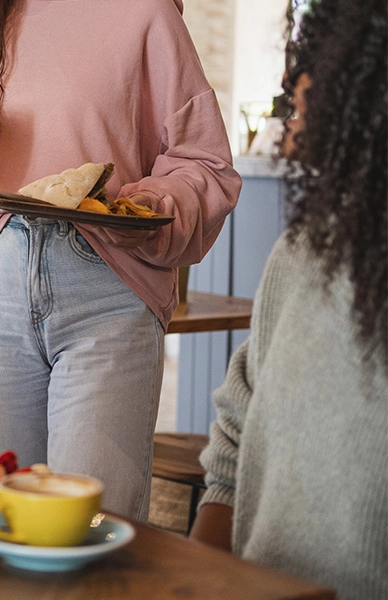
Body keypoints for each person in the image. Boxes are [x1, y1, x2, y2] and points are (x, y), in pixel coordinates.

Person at [0, 0, 240, 519]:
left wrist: (144, 207)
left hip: (108, 295)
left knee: (97, 525)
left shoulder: (146, 14)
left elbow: (205, 165)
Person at [190, 0, 387, 598]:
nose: (289, 81)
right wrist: (202, 577)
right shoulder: (304, 247)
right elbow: (238, 424)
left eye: (308, 59)